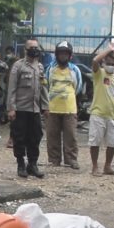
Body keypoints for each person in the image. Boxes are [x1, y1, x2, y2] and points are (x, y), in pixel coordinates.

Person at [7, 38, 49, 179]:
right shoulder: (18, 66)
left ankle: (33, 164)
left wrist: (46, 106)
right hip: (21, 108)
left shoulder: (40, 67)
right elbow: (12, 88)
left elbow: (43, 88)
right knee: (19, 138)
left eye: (36, 47)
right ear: (25, 50)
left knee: (35, 137)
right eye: (31, 47)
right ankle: (21, 164)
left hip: (35, 109)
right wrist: (11, 108)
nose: (34, 49)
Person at [44, 41, 83, 170]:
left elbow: (78, 87)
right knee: (52, 135)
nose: (63, 56)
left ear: (70, 55)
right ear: (56, 55)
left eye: (65, 53)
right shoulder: (50, 69)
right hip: (53, 107)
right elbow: (47, 86)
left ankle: (71, 159)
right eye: (60, 53)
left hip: (70, 108)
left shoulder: (74, 70)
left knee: (71, 135)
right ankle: (54, 159)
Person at [89, 43, 114, 176]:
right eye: (108, 62)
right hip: (98, 113)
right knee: (95, 141)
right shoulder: (99, 73)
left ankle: (107, 166)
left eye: (113, 63)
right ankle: (95, 166)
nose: (111, 65)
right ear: (104, 61)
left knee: (112, 143)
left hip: (113, 115)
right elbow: (94, 61)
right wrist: (109, 49)